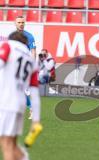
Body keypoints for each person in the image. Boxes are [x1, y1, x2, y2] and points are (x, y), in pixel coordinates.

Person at [0, 31, 41, 160]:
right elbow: (34, 92)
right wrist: (36, 120)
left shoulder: (8, 46)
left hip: (6, 101)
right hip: (20, 104)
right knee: (12, 143)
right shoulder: (30, 59)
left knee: (6, 144)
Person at [15, 15, 37, 119]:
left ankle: (32, 108)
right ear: (15, 23)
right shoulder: (12, 36)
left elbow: (33, 51)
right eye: (19, 22)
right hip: (14, 66)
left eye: (22, 22)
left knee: (26, 90)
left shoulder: (29, 36)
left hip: (25, 66)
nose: (21, 24)